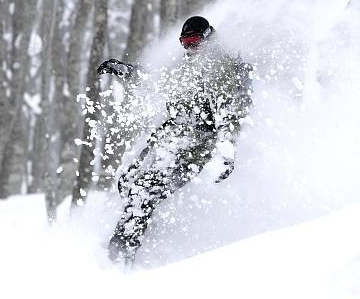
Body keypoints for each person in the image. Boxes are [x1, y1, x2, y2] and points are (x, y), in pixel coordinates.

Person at [97, 16, 253, 265]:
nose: (190, 46)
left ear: (208, 37)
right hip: (174, 142)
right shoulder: (188, 65)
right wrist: (127, 72)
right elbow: (160, 84)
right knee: (135, 186)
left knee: (144, 191)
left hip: (197, 149)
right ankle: (126, 254)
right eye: (185, 41)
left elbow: (229, 112)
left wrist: (226, 149)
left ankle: (119, 258)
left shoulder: (219, 65)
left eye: (194, 40)